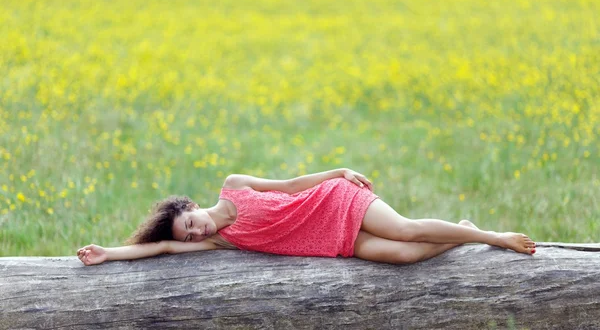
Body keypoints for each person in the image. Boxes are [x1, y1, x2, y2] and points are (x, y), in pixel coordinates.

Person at [77, 168, 536, 266]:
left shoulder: (234, 184)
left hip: (334, 202)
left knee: (406, 229)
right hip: (331, 242)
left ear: (193, 208)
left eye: (191, 224)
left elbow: (292, 186)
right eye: (190, 235)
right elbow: (158, 245)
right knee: (401, 256)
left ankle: (492, 237)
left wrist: (337, 171)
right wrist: (106, 253)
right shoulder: (222, 242)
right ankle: (465, 232)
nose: (195, 234)